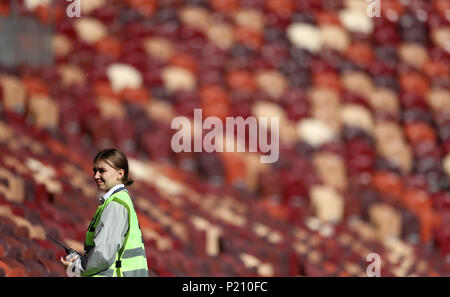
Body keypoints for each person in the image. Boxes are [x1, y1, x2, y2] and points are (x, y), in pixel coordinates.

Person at [60, 148, 149, 277]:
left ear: (120, 174)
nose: (96, 176)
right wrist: (81, 260)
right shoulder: (119, 200)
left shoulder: (115, 205)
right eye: (95, 170)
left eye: (102, 171)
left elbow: (103, 255)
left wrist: (77, 267)